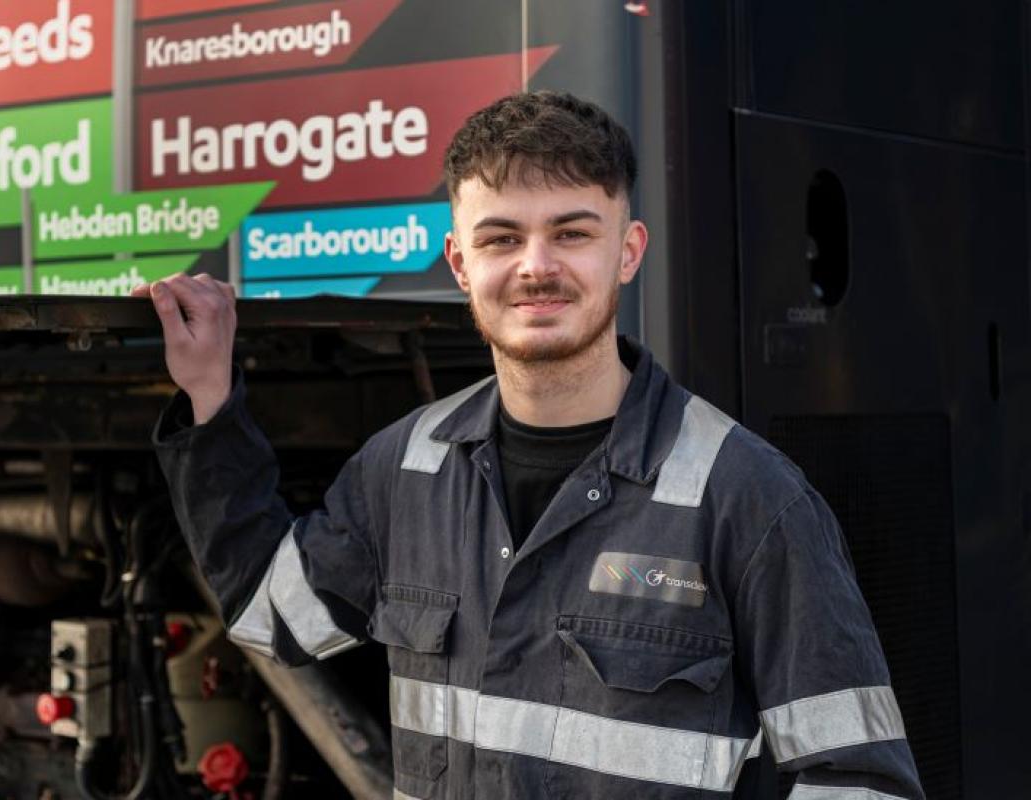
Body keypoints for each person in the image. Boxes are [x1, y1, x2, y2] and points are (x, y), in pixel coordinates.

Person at [134, 91, 924, 799]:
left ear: (628, 251)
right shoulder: (406, 471)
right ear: (460, 263)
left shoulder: (746, 499)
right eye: (502, 237)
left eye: (571, 233)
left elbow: (860, 781)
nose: (536, 267)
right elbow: (275, 617)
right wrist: (209, 398)